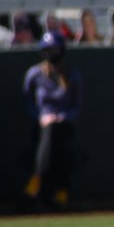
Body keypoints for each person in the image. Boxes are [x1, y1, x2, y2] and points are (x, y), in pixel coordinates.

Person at [22, 31, 83, 209]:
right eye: (48, 50)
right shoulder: (34, 74)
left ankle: (36, 183)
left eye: (55, 50)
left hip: (65, 126)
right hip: (41, 126)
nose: (52, 54)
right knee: (49, 133)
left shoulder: (72, 75)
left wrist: (62, 117)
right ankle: (61, 190)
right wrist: (41, 117)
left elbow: (76, 106)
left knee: (56, 133)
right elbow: (28, 102)